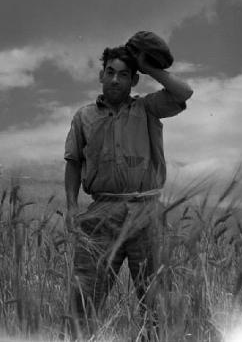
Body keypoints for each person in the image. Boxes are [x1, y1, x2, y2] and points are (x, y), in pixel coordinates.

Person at [63, 31, 193, 340]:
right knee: (83, 297)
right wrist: (70, 206)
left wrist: (150, 68)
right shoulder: (84, 117)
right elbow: (73, 162)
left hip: (145, 211)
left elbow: (184, 93)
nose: (116, 80)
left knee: (154, 298)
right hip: (101, 213)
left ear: (134, 81)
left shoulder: (147, 108)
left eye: (124, 75)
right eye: (110, 73)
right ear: (101, 75)